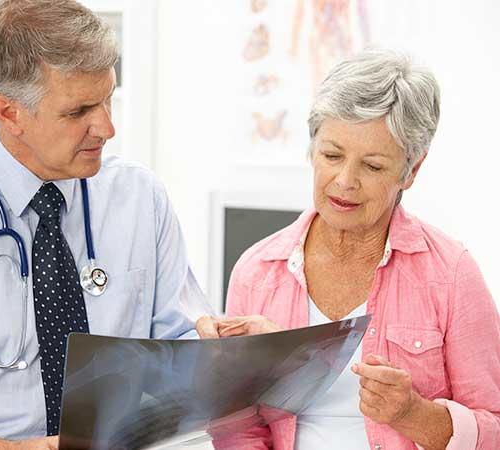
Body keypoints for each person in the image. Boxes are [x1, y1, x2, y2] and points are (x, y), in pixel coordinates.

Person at [0, 1, 212, 449]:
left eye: (107, 99)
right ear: (8, 113)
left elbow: (177, 343)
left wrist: (231, 355)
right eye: (78, 111)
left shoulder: (140, 198)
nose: (106, 127)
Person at [198, 49, 500, 449]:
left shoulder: (450, 273)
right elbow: (237, 426)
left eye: (372, 166)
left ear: (411, 170)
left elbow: (494, 428)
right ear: (312, 149)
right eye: (332, 155)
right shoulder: (257, 272)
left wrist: (413, 414)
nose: (344, 181)